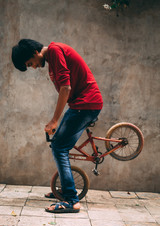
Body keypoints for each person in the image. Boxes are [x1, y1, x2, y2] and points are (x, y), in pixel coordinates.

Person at [12, 39, 103, 213]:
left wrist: (55, 120)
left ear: (34, 52)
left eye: (30, 63)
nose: (33, 67)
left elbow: (65, 88)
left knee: (59, 147)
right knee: (59, 145)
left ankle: (70, 200)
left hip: (85, 104)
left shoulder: (54, 51)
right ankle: (65, 190)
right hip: (81, 105)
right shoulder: (52, 59)